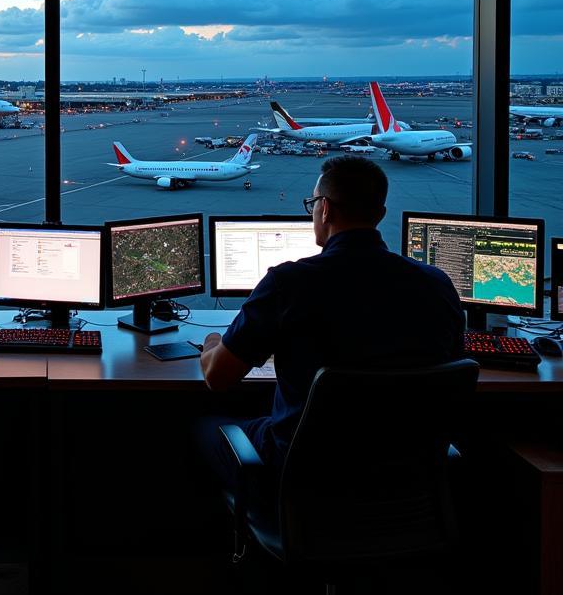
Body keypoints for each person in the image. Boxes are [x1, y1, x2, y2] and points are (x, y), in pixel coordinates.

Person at [198, 155, 464, 486]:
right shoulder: (436, 284)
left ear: (324, 209)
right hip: (404, 481)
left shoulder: (289, 283)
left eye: (311, 204)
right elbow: (452, 363)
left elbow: (217, 377)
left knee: (203, 425)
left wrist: (212, 341)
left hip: (305, 476)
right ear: (379, 215)